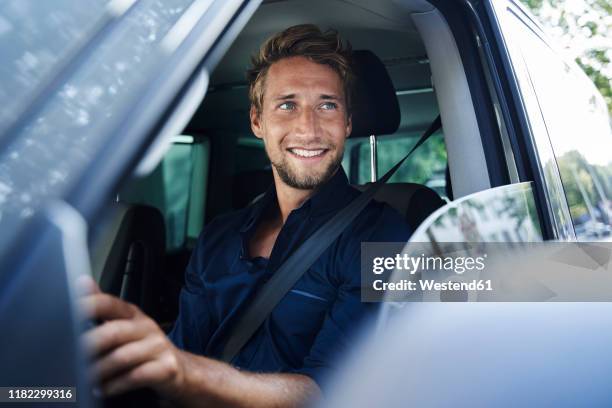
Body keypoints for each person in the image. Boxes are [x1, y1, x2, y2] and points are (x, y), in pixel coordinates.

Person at [80, 24, 411, 407]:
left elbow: (328, 392)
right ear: (257, 122)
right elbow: (185, 352)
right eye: (287, 105)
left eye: (327, 105)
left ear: (347, 123)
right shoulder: (219, 237)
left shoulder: (382, 236)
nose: (308, 128)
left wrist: (181, 371)